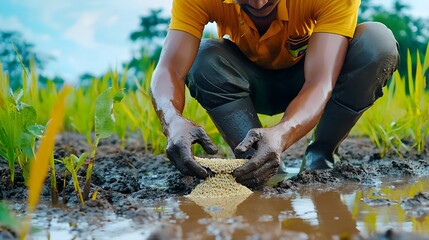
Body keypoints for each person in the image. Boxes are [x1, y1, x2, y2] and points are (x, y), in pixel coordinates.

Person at [150, 0, 399, 188]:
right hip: (244, 84)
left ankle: (321, 154)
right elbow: (169, 68)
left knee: (377, 45)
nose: (259, 4)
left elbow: (320, 81)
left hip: (310, 81)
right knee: (203, 59)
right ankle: (258, 163)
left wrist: (282, 134)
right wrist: (172, 120)